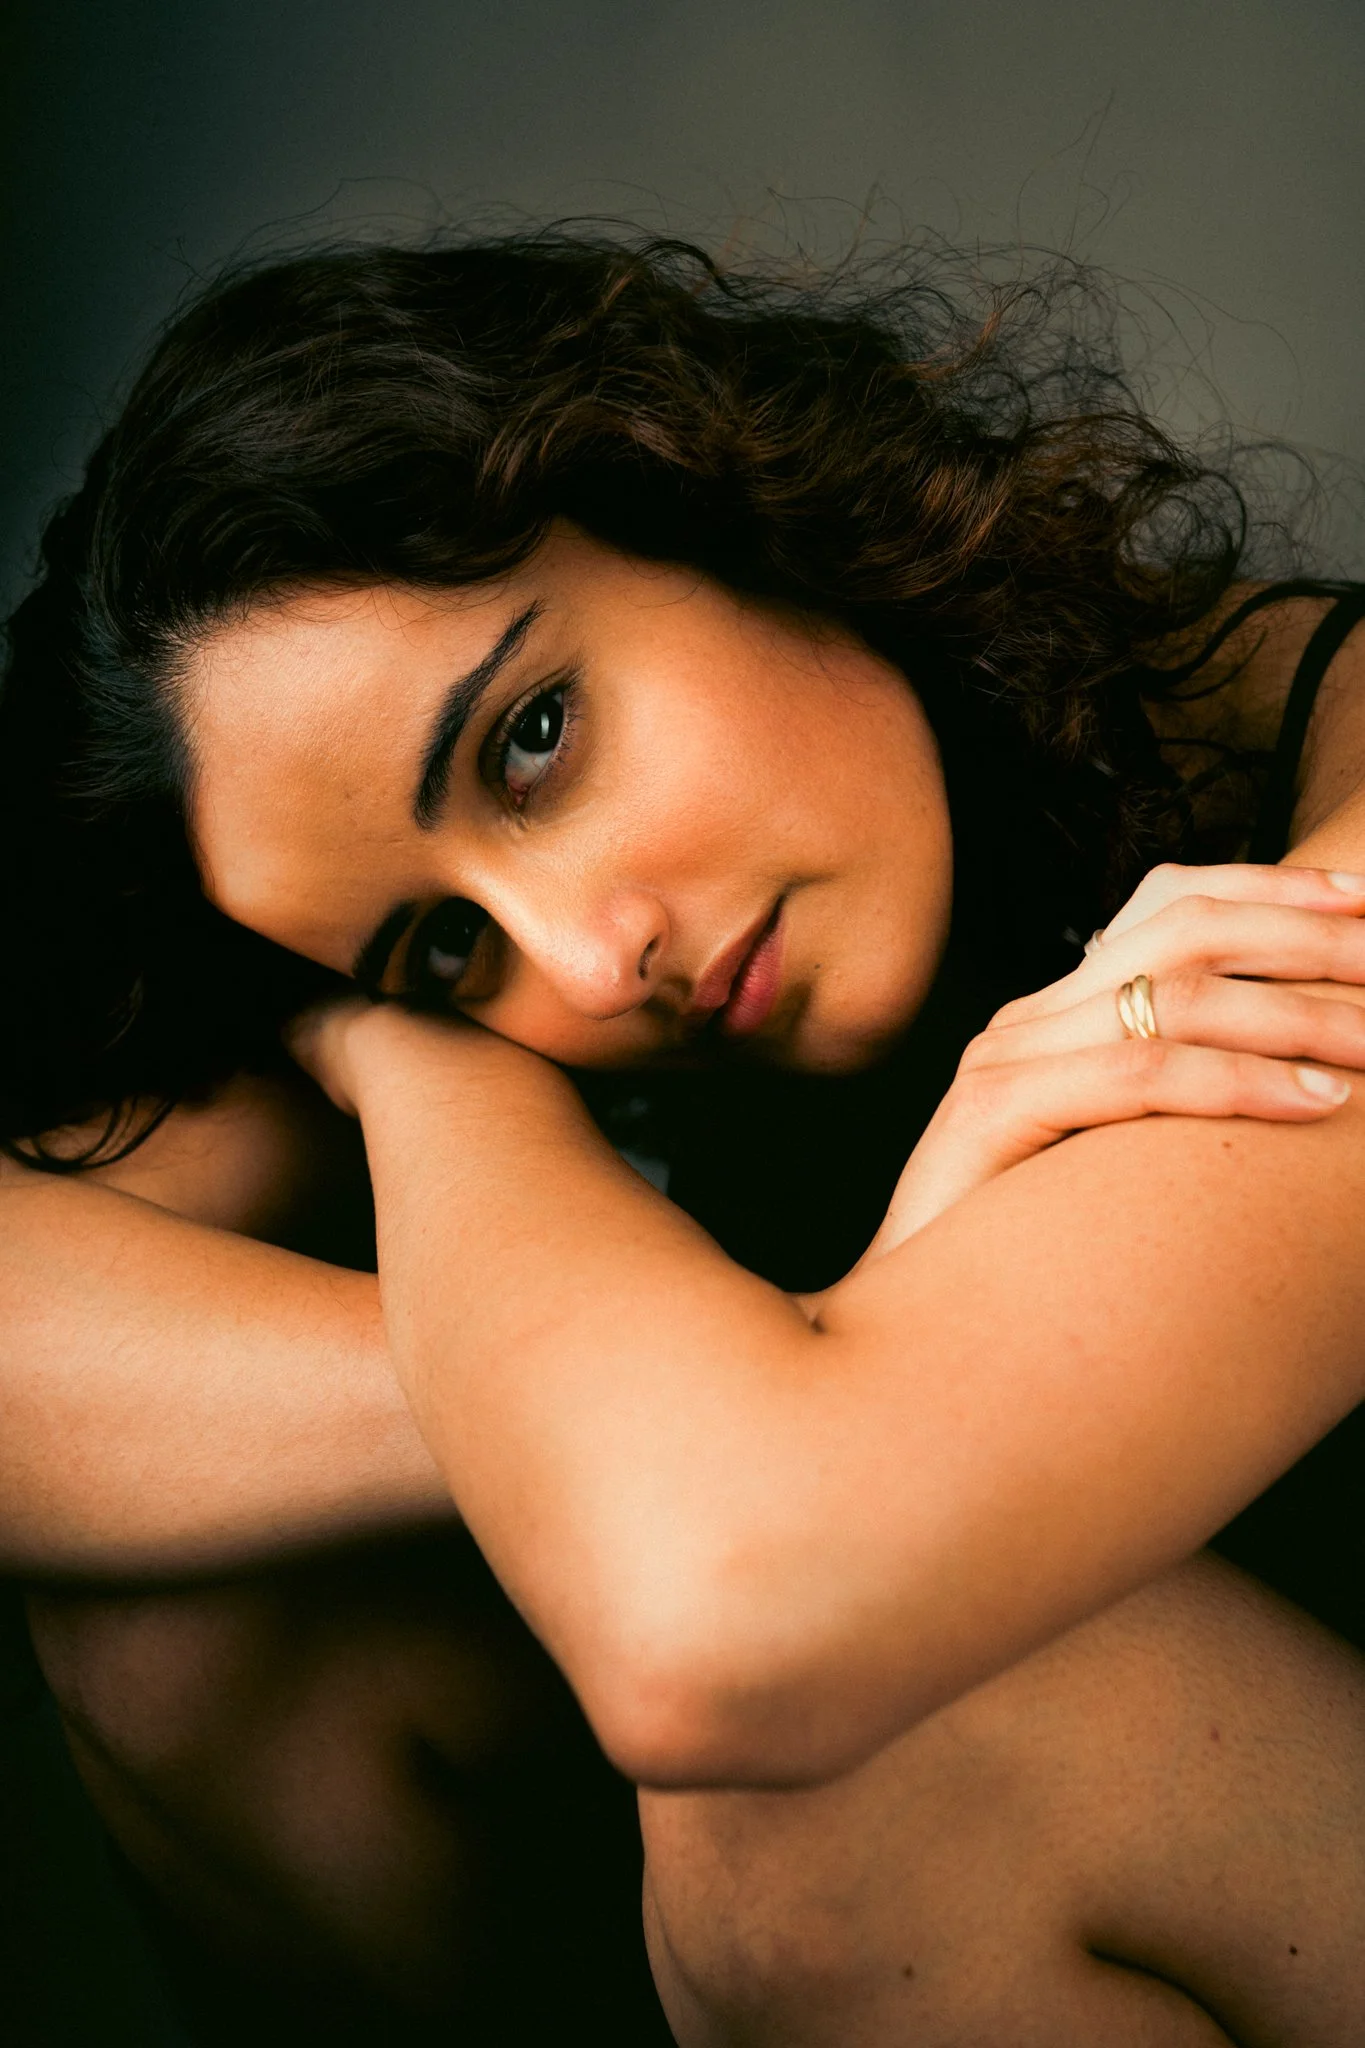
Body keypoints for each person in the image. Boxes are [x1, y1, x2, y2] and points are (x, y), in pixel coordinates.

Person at [4, 231, 1365, 2045]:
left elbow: (724, 1616)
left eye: (535, 738)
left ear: (701, 491)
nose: (587, 958)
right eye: (446, 944)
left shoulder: (1326, 784)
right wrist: (423, 1073)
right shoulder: (502, 1035)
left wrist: (704, 1396)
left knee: (825, 1784)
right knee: (183, 1612)